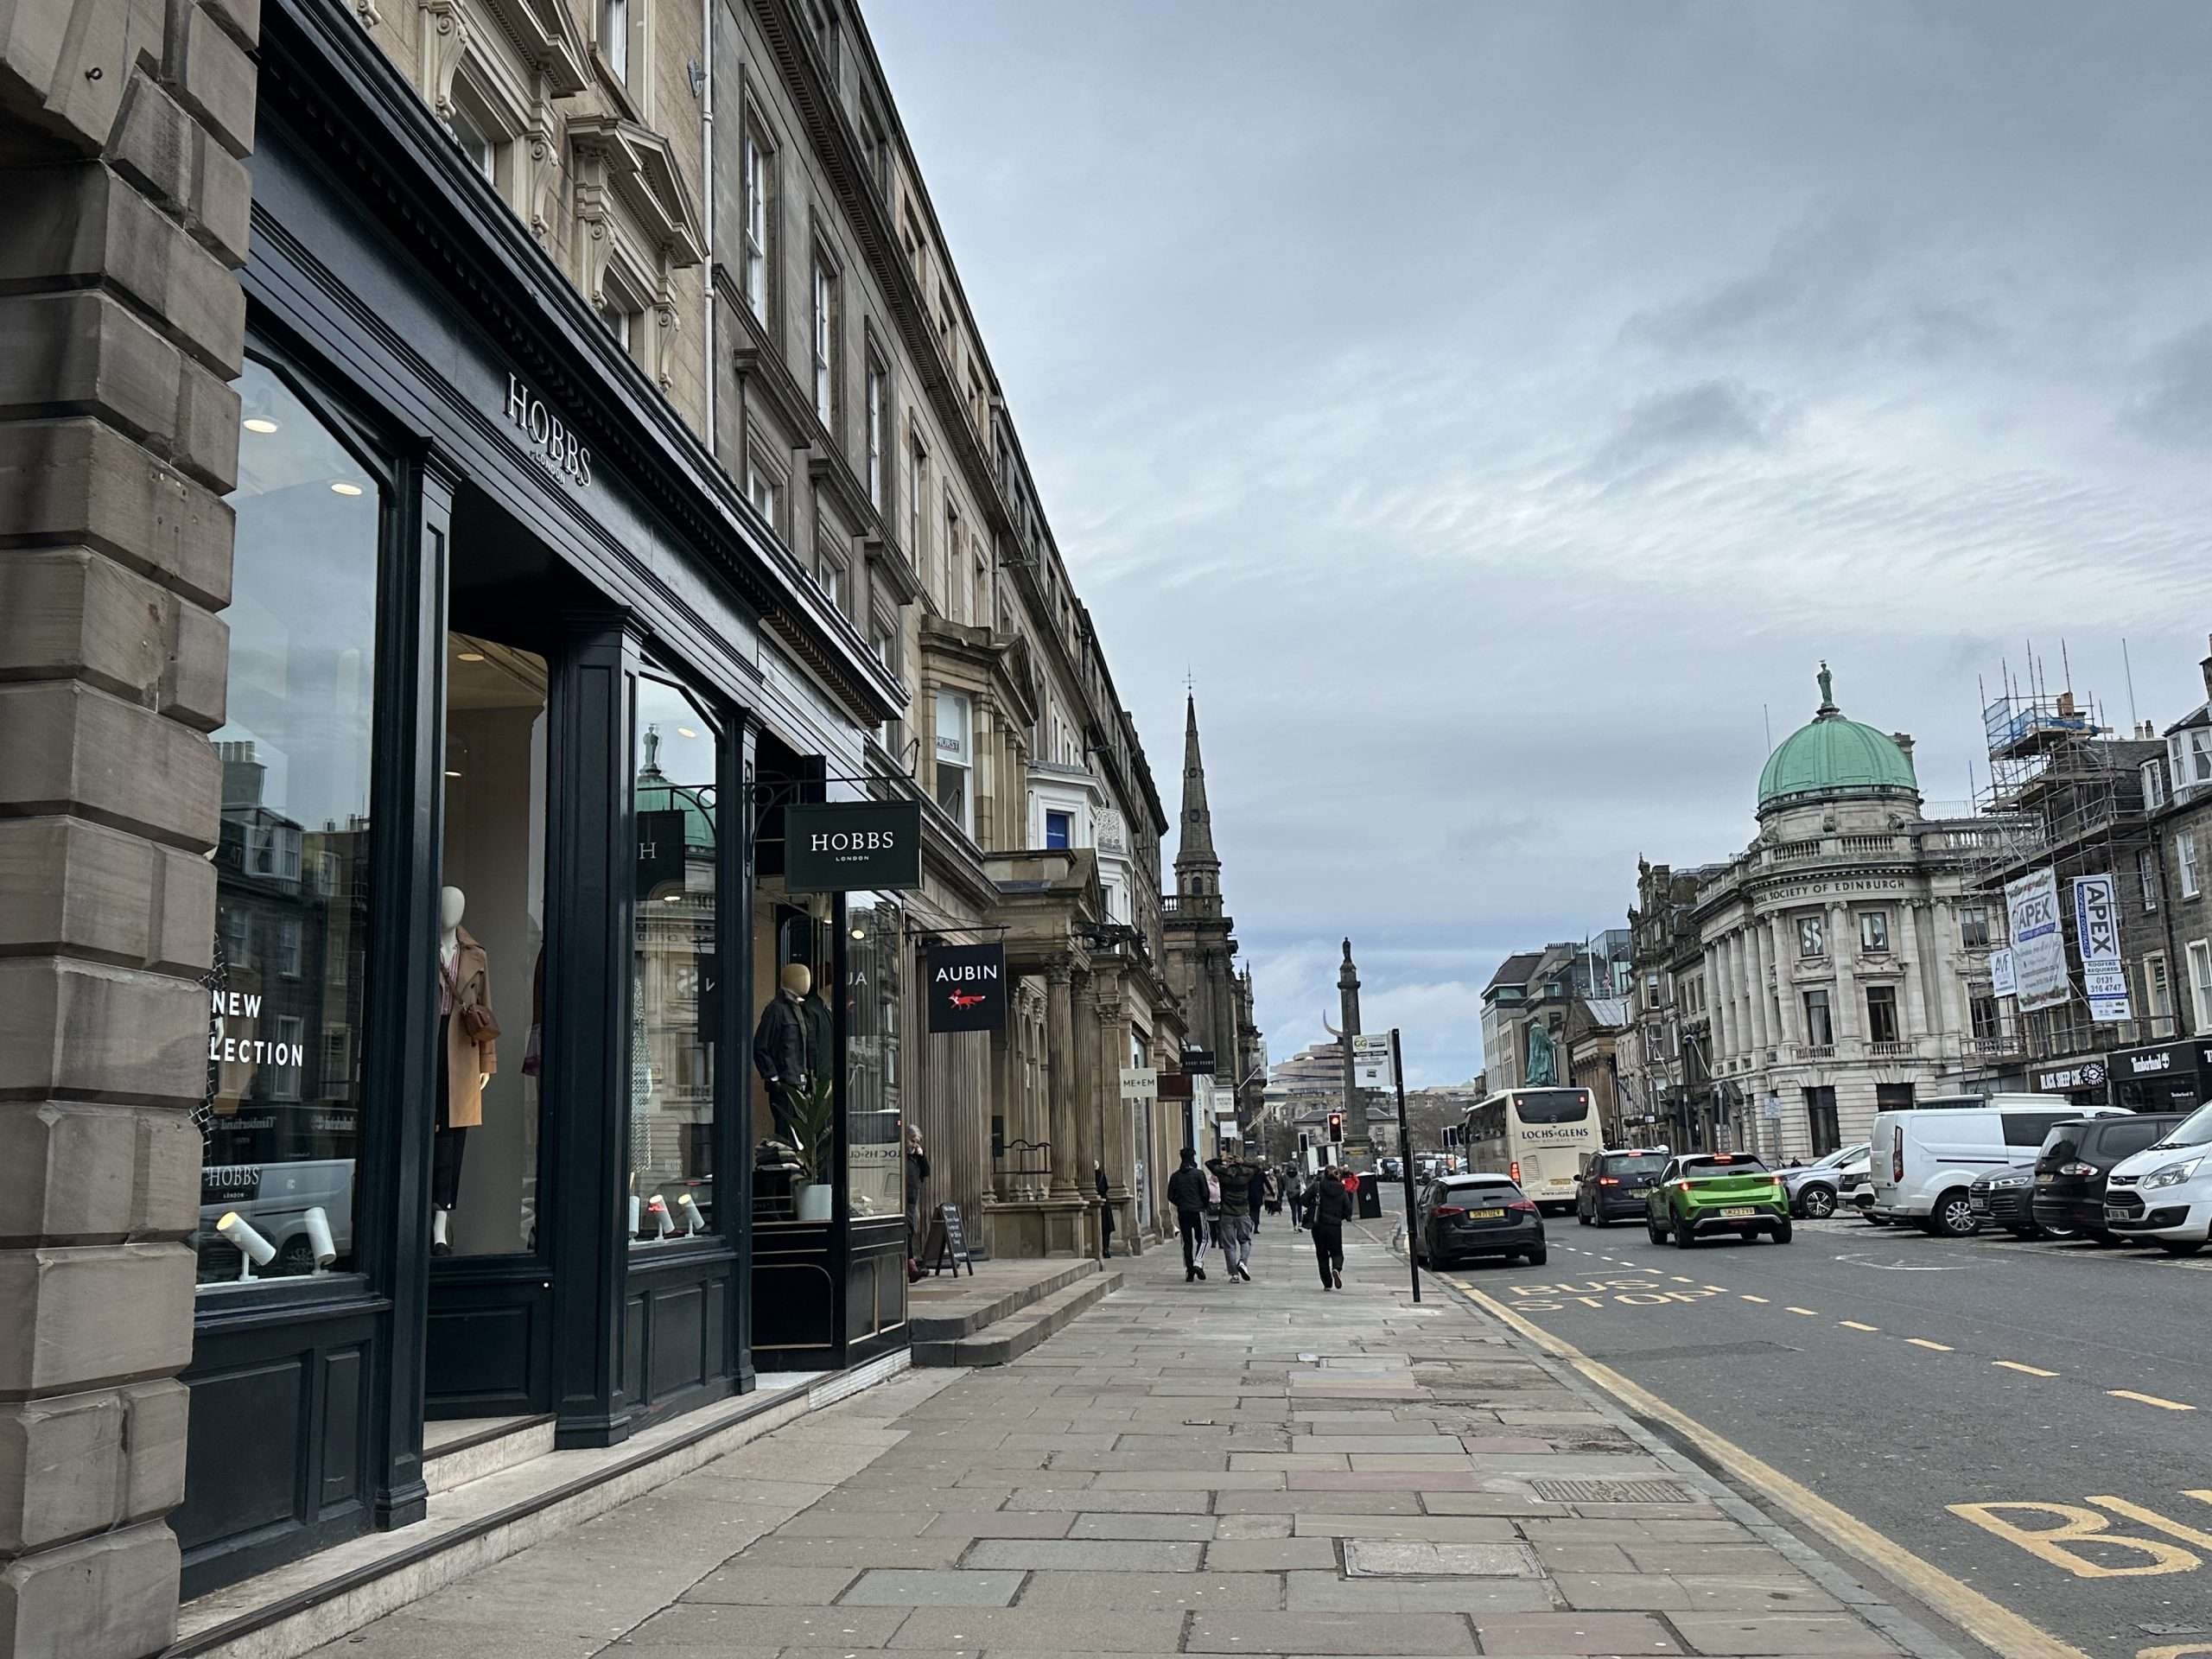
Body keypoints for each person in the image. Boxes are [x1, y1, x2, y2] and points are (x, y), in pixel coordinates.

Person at [1166, 1147, 1210, 1281]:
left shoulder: (1175, 1176)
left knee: (1187, 1242)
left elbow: (1170, 1196)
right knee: (1204, 1239)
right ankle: (1198, 1262)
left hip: (1183, 1211)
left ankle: (1189, 1270)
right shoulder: (1198, 1174)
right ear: (1193, 1158)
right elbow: (1205, 1193)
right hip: (1198, 1210)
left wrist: (1180, 1203)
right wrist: (1203, 1205)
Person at [1312, 1162, 1355, 1290]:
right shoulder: (1341, 1190)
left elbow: (1303, 1199)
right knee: (1337, 1251)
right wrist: (1344, 1217)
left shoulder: (1317, 1187)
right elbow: (1348, 1209)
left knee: (1322, 1254)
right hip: (1335, 1226)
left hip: (1319, 1225)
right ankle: (1336, 1269)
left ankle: (1327, 1283)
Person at [905, 1124, 929, 1283]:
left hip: (913, 1201)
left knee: (910, 1231)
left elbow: (926, 1172)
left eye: (917, 1142)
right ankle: (911, 1267)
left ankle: (911, 1266)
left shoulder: (915, 1158)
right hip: (902, 1201)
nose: (915, 1145)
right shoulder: (902, 1157)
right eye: (912, 1141)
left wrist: (921, 1156)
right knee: (906, 1232)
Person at [1095, 1161, 1116, 1258]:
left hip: (1097, 1203)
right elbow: (1106, 1188)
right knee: (1106, 1230)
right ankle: (1106, 1249)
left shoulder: (1092, 1176)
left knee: (1099, 1229)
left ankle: (1100, 1248)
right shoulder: (1101, 1175)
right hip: (1105, 1205)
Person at [1246, 1162, 1268, 1236]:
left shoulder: (1250, 1174)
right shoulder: (1261, 1174)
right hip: (1258, 1195)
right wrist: (1272, 1192)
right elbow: (1267, 1183)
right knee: (1257, 1212)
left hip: (1250, 1195)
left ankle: (1250, 1224)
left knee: (1251, 1211)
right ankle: (1256, 1227)